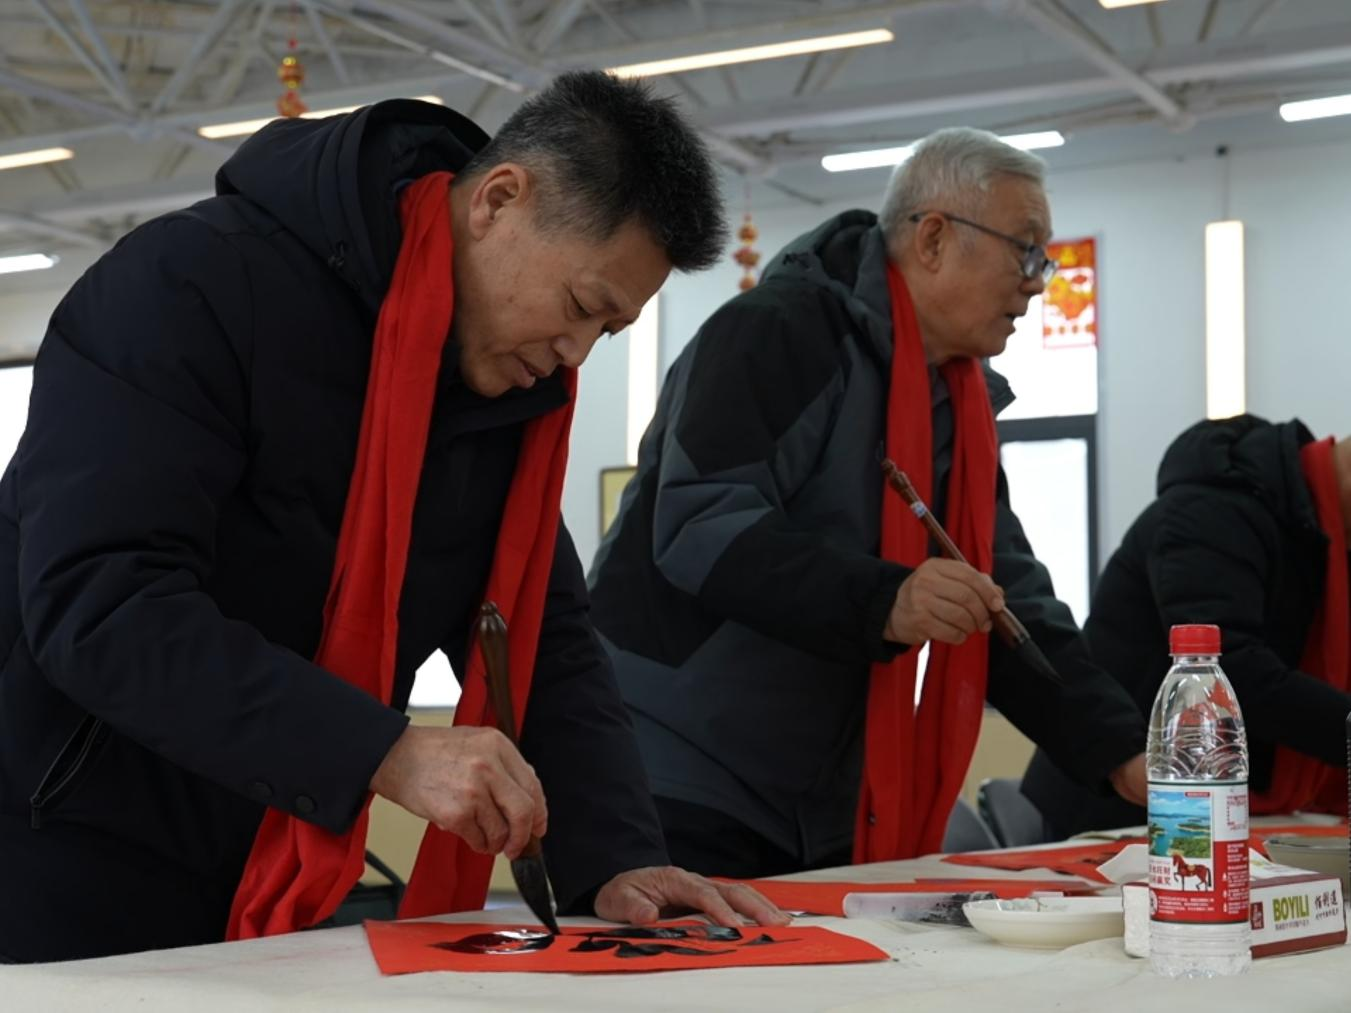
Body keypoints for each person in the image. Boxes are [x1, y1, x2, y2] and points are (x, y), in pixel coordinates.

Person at [0, 71, 785, 964]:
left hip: (278, 849)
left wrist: (617, 858)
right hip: (58, 840)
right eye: (580, 307)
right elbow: (101, 603)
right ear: (498, 199)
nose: (575, 353)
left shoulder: (497, 398)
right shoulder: (188, 287)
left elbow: (540, 638)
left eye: (608, 333)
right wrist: (384, 750)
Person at [587, 127, 1148, 879]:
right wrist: (889, 599)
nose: (1037, 283)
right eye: (1025, 252)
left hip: (820, 793)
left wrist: (1123, 751)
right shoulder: (776, 333)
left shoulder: (957, 407)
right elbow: (702, 527)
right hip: (675, 768)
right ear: (933, 238)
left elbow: (1002, 597)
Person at [1023, 414, 1351, 838]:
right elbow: (1232, 672)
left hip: (1235, 802)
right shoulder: (1214, 508)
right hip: (1126, 797)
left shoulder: (1315, 526)